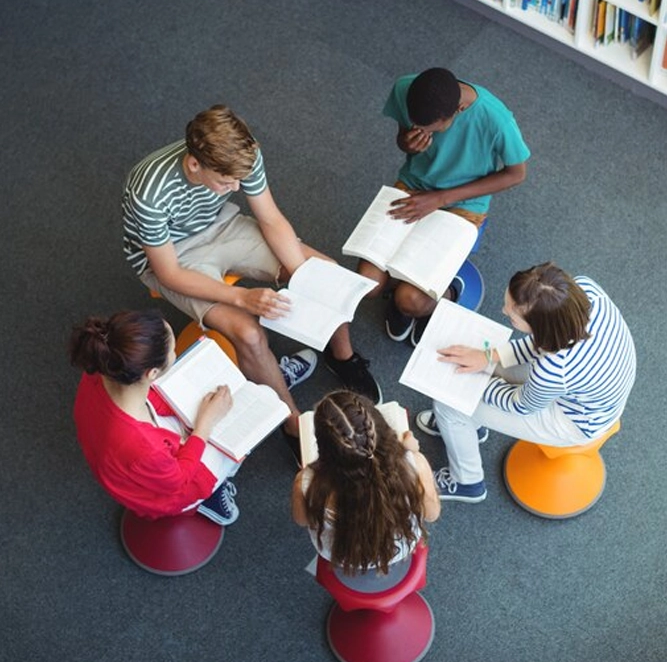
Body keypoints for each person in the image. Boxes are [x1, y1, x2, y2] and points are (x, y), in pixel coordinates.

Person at [122, 105, 381, 444]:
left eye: (238, 181)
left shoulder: (243, 155)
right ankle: (292, 425)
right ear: (194, 164)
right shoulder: (149, 193)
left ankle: (341, 355)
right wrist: (241, 297)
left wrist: (305, 276)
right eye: (225, 181)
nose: (234, 188)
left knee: (325, 272)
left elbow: (270, 218)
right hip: (174, 256)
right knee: (249, 334)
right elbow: (168, 273)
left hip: (223, 225)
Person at [416, 263, 636, 503]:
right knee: (489, 374)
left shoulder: (553, 369)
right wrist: (487, 357)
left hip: (576, 420)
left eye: (512, 316)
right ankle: (468, 426)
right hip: (594, 386)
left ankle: (466, 481)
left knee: (450, 404)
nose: (503, 310)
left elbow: (521, 405)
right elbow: (541, 344)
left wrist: (477, 383)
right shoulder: (586, 292)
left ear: (541, 328)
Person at [360, 67, 530, 347]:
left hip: (464, 202)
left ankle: (449, 291)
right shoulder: (406, 88)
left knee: (409, 300)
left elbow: (516, 174)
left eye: (431, 129)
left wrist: (441, 199)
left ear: (460, 109)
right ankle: (416, 288)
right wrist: (407, 143)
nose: (423, 132)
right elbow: (404, 139)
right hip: (415, 184)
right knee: (369, 283)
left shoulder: (497, 119)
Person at [70, 309, 242, 525]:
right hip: (162, 491)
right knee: (234, 434)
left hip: (112, 459)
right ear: (151, 374)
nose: (175, 353)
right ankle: (207, 499)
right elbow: (179, 479)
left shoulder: (102, 366)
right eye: (173, 351)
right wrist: (205, 424)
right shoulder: (144, 446)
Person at [292, 391, 440, 592]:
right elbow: (432, 514)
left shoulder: (307, 482)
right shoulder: (413, 466)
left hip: (342, 556)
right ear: (383, 431)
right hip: (398, 550)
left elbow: (301, 520)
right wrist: (411, 452)